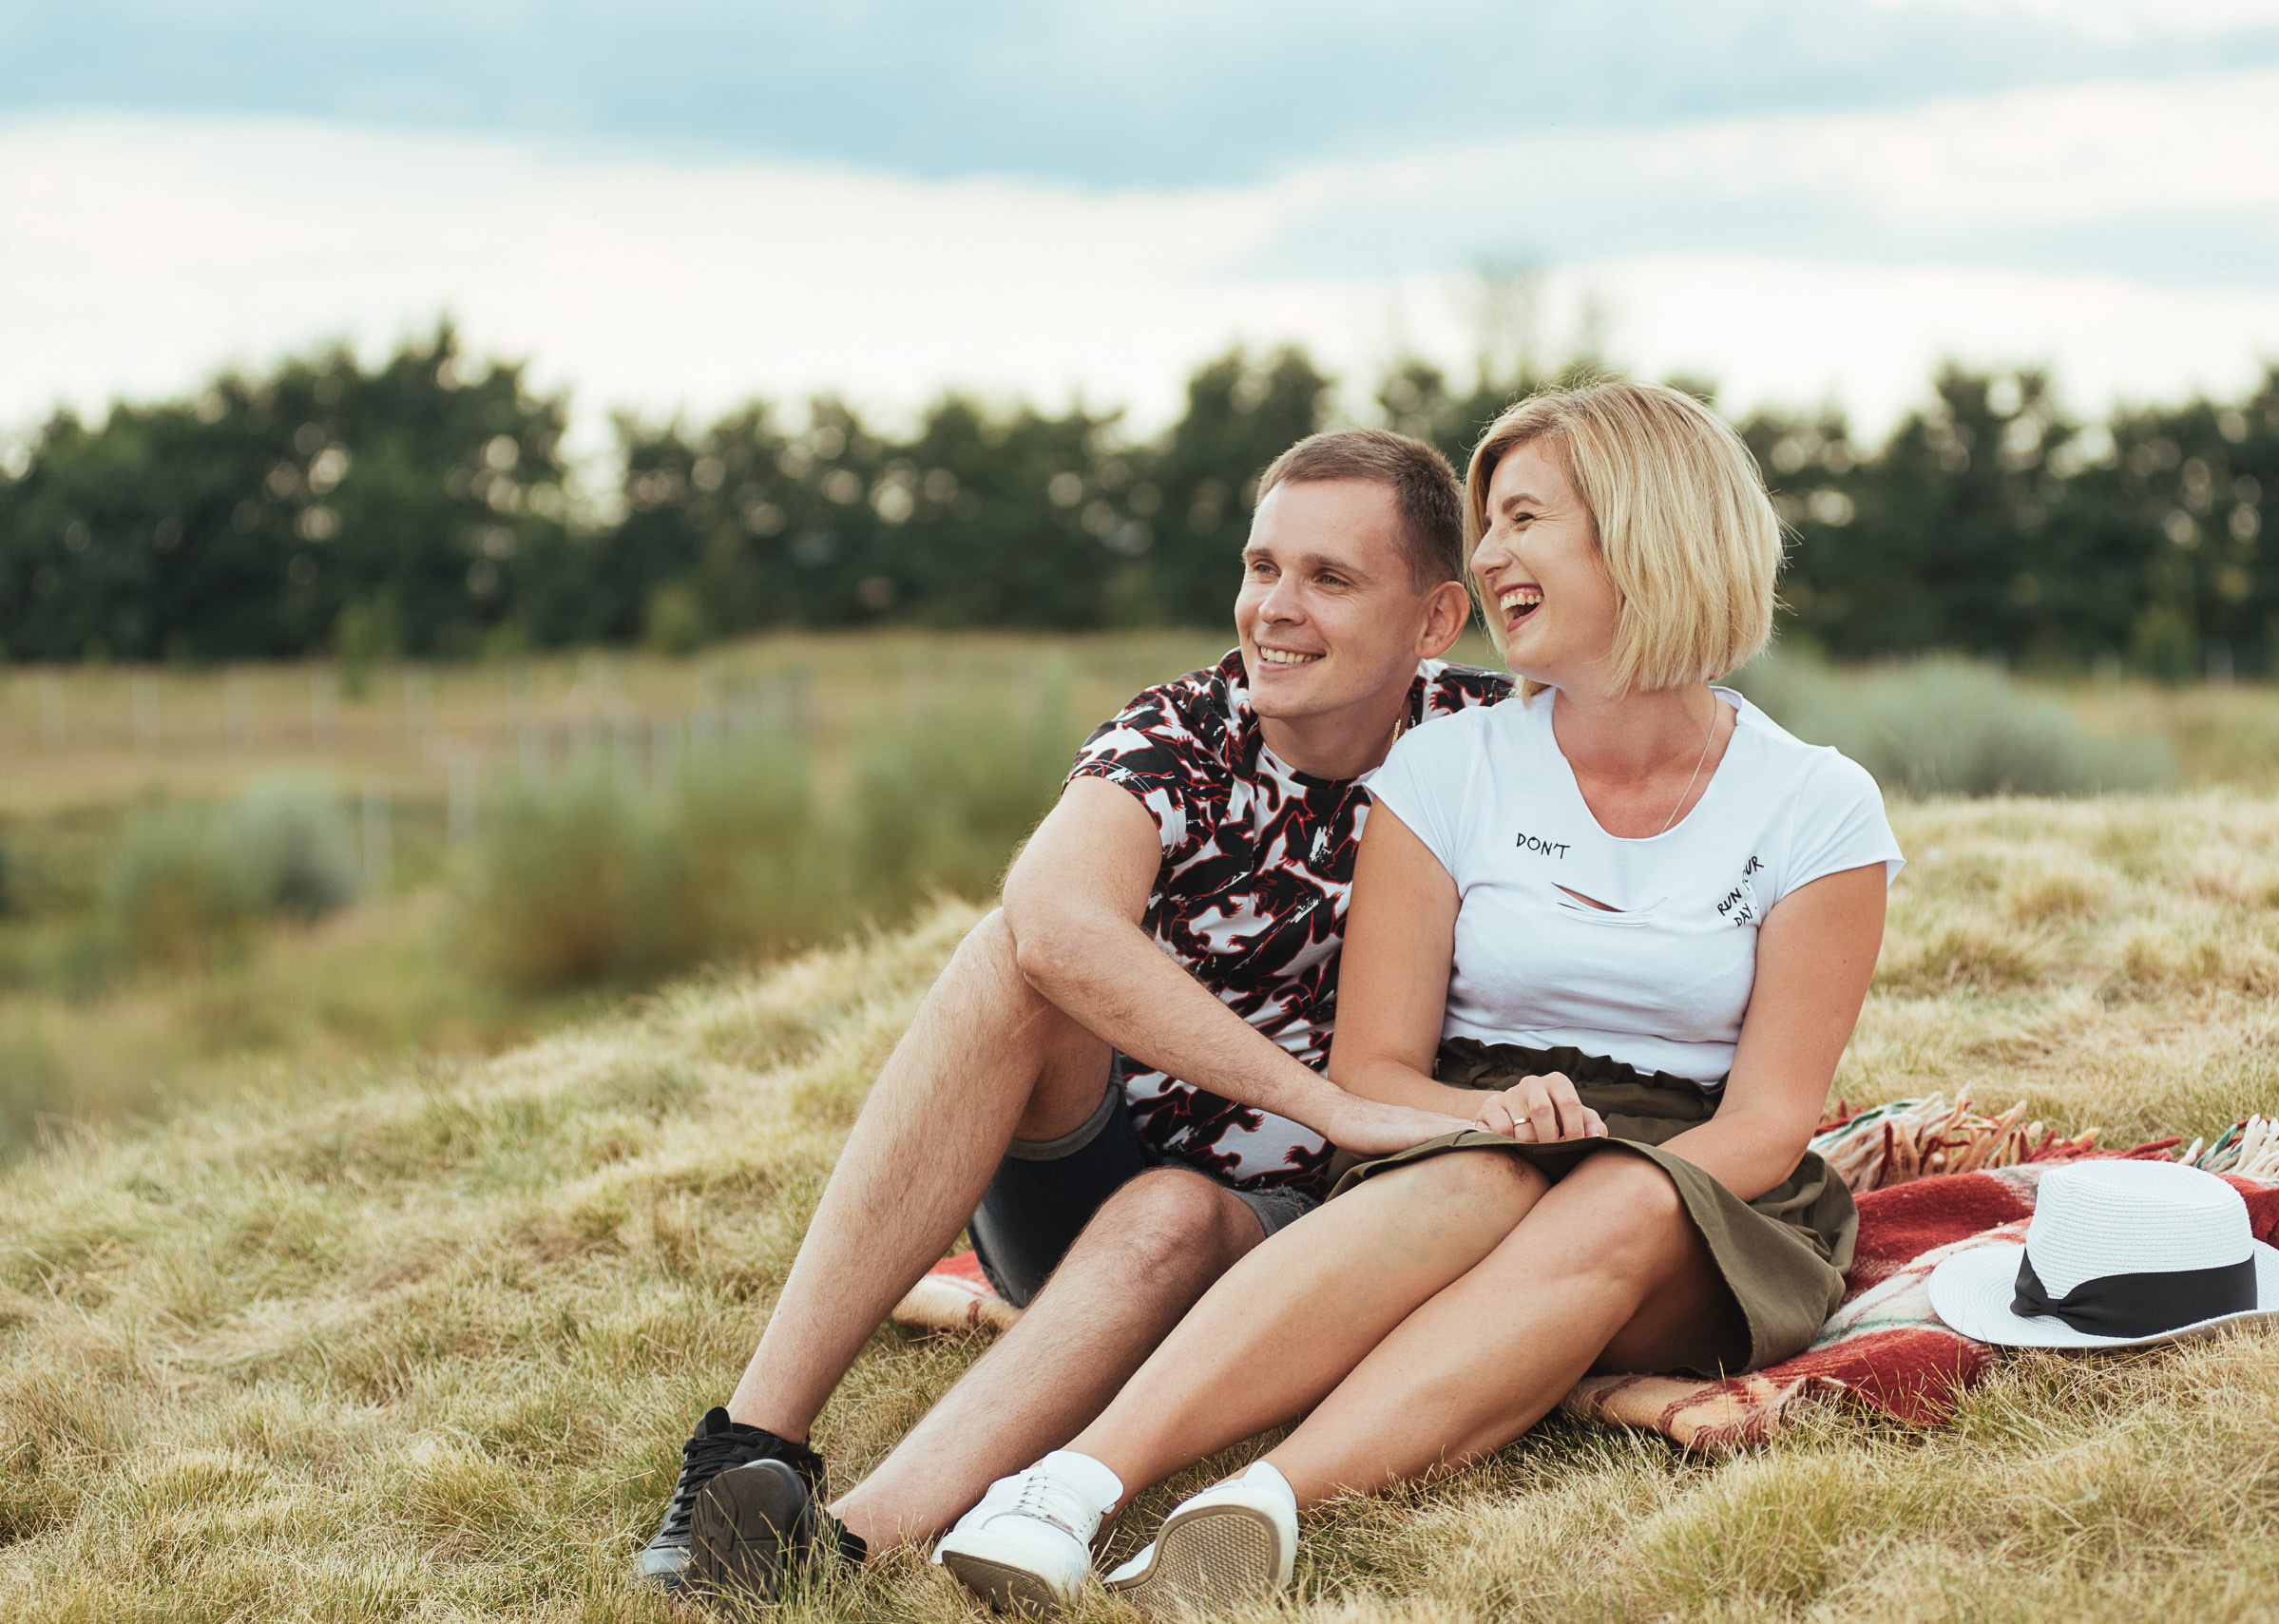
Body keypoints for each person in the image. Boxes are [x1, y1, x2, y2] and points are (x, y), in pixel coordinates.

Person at [933, 380, 1905, 1616]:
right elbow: (1375, 1069)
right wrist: (1482, 1126)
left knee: (1611, 1207)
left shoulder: (1817, 804)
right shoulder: (1446, 763)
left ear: (1645, 529)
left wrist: (1609, 1171)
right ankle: (1068, 1490)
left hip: (1701, 1175)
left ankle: (1263, 1503)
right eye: (1487, 523)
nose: (1488, 555)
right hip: (1472, 1127)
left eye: (1524, 519)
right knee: (1480, 1172)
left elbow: (1773, 1114)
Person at [632, 428, 1510, 1595]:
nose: (1274, 609)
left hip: (1302, 1229)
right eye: (1261, 567)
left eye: (1329, 578)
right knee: (1010, 954)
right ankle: (746, 1446)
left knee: (1173, 1212)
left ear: (1435, 619)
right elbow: (1053, 921)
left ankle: (835, 1544)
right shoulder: (1183, 733)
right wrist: (1323, 1100)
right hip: (1085, 1172)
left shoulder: (1491, 746)